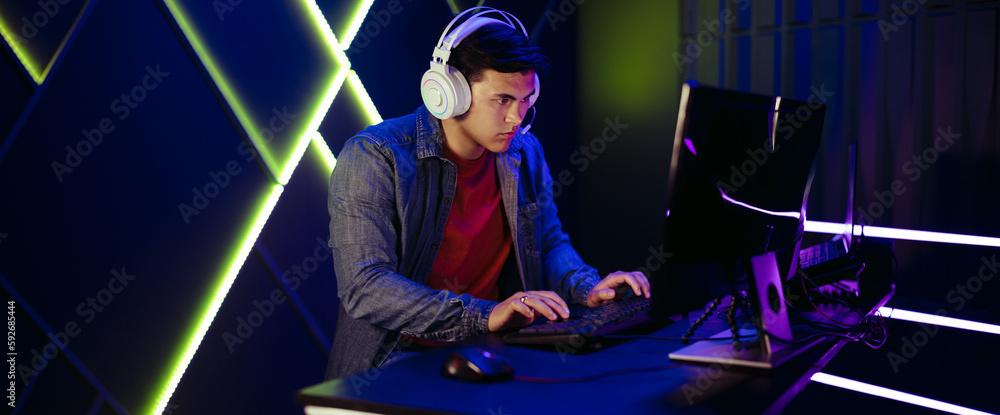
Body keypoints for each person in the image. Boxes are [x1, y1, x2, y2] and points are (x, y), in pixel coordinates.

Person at [324, 7, 650, 380]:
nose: (517, 118)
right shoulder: (375, 156)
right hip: (397, 357)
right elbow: (365, 286)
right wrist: (482, 314)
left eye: (526, 100)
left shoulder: (524, 152)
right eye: (503, 101)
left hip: (491, 348)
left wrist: (588, 287)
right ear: (450, 92)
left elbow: (548, 243)